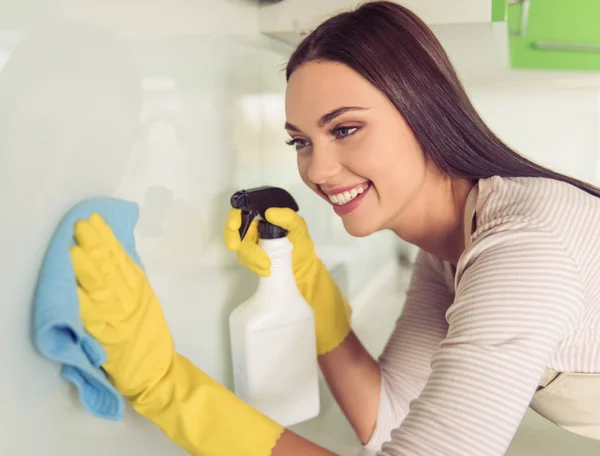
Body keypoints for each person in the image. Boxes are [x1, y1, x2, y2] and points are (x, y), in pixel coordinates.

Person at [70, 2, 600, 455]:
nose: (317, 172)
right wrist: (313, 291)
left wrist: (167, 386)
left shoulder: (524, 249)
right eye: (300, 142)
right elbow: (388, 418)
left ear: (424, 113)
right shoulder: (448, 246)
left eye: (345, 129)